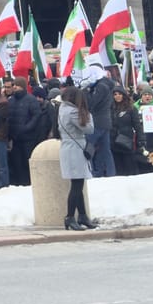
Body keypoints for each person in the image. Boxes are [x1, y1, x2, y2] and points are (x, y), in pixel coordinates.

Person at [56, 85, 96, 230]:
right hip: (75, 148)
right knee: (77, 185)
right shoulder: (73, 112)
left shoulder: (62, 109)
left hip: (69, 147)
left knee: (77, 183)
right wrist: (88, 114)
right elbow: (88, 128)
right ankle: (70, 216)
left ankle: (83, 215)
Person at [84, 68, 116, 178]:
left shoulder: (101, 87)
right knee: (105, 149)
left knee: (88, 148)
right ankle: (109, 172)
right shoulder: (107, 85)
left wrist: (86, 90)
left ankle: (92, 171)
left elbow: (91, 103)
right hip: (105, 122)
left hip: (97, 122)